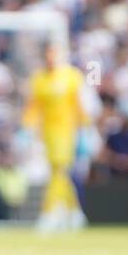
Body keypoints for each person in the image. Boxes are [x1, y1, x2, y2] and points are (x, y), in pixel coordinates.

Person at [23, 43, 90, 232]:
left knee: (58, 171)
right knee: (59, 172)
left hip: (67, 132)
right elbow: (33, 107)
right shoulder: (39, 79)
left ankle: (50, 212)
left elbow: (79, 105)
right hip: (47, 134)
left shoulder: (71, 76)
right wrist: (26, 128)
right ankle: (75, 212)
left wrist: (86, 129)